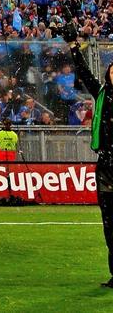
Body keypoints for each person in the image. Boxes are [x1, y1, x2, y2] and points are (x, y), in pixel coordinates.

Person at [64, 28, 113, 288]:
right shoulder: (102, 93)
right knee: (110, 225)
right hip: (105, 165)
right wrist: (74, 45)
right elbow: (84, 74)